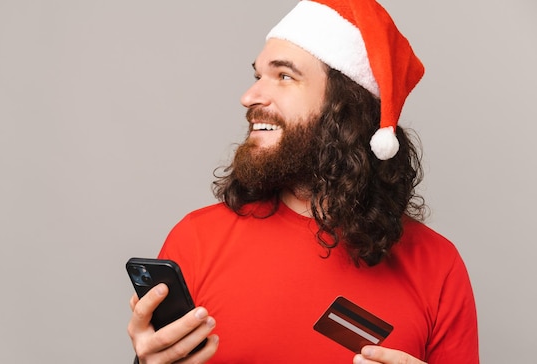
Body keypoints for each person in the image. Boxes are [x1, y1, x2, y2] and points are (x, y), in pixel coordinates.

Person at [127, 0, 479, 363]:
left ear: (346, 108)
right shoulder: (195, 240)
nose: (250, 97)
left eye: (284, 76)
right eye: (257, 76)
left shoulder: (438, 267)